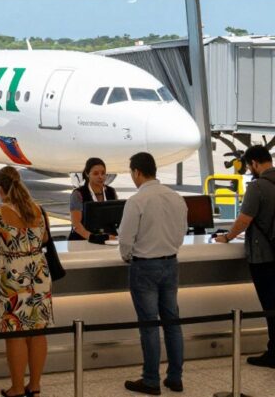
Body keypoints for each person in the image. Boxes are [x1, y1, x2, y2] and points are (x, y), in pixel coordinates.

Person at [0, 166, 53, 397]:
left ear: (0, 188)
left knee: (15, 332)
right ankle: (35, 385)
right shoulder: (38, 210)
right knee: (37, 331)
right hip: (38, 273)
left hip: (11, 277)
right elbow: (45, 238)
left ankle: (17, 387)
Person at [117, 152, 187, 395]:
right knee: (172, 323)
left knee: (149, 326)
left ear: (137, 172)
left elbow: (125, 239)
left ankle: (150, 380)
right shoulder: (176, 197)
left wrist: (128, 256)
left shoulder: (136, 200)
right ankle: (175, 378)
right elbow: (182, 232)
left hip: (145, 267)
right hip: (171, 264)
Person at [214, 145, 275, 367]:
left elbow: (244, 220)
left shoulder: (257, 187)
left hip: (264, 256)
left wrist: (227, 237)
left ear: (255, 164)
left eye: (250, 166)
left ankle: (274, 352)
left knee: (270, 305)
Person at [68, 157, 118, 241]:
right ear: (87, 174)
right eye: (96, 174)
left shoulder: (111, 192)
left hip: (107, 239)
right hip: (82, 240)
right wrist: (94, 238)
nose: (100, 177)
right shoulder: (78, 194)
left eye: (103, 173)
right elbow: (76, 225)